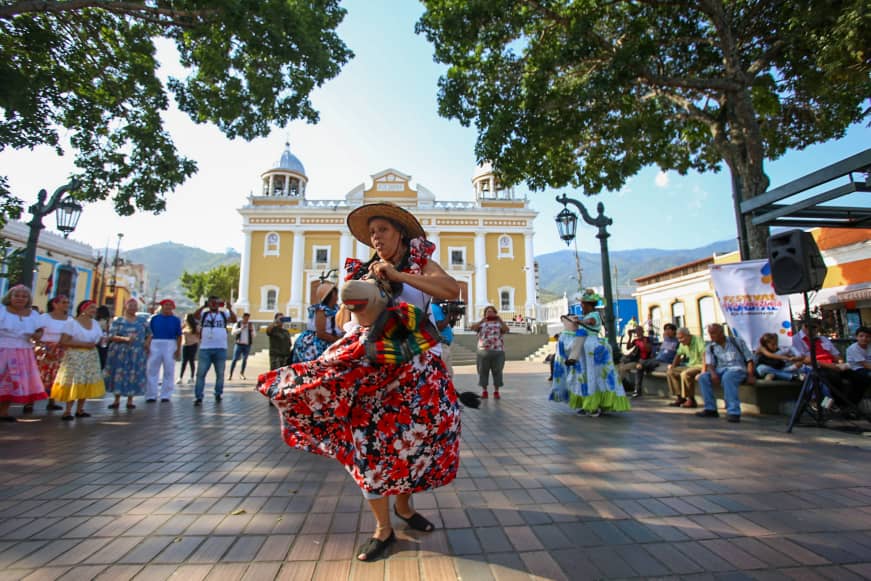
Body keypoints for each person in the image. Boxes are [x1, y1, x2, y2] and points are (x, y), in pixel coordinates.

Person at [271, 201, 461, 562]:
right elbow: (345, 315)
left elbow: (450, 290)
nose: (376, 237)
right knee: (369, 447)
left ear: (400, 234)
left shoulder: (419, 263)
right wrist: (359, 297)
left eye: (383, 230)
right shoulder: (361, 270)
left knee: (414, 444)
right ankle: (382, 528)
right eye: (372, 232)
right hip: (371, 372)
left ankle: (404, 509)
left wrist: (399, 276)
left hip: (414, 369)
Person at [568, 290, 627, 416]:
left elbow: (591, 323)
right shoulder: (586, 316)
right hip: (585, 347)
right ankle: (589, 403)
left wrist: (580, 322)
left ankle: (593, 404)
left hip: (592, 347)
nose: (581, 306)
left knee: (594, 375)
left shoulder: (594, 315)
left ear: (588, 304)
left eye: (583, 304)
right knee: (586, 375)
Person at [51, 300, 106, 420]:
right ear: (83, 309)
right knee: (74, 381)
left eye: (95, 308)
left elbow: (100, 338)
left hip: (90, 356)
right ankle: (68, 410)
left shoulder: (95, 323)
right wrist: (83, 344)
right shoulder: (72, 323)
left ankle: (80, 409)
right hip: (75, 356)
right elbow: (64, 341)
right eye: (91, 308)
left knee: (86, 381)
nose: (94, 310)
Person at [0, 285, 47, 421]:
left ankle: (3, 412)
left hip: (23, 351)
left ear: (28, 299)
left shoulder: (33, 314)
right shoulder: (2, 310)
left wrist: (37, 335)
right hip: (3, 348)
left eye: (24, 296)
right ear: (10, 297)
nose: (20, 298)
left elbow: (39, 330)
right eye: (17, 295)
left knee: (13, 382)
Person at [696, 323, 755, 423]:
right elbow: (709, 364)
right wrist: (713, 374)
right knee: (703, 377)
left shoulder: (736, 342)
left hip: (737, 369)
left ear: (721, 333)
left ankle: (733, 411)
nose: (711, 336)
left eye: (714, 333)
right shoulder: (710, 347)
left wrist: (750, 375)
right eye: (710, 334)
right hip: (720, 370)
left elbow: (750, 360)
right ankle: (710, 408)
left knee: (728, 377)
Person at [104, 298, 152, 410]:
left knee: (133, 374)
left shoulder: (142, 320)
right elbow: (111, 335)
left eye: (135, 306)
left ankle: (130, 400)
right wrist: (124, 339)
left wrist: (147, 343)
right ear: (126, 306)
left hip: (137, 352)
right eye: (131, 305)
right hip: (120, 352)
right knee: (119, 374)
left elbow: (149, 334)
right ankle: (116, 400)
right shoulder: (118, 320)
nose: (133, 308)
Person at [30, 295, 73, 413]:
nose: (66, 305)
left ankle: (52, 401)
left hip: (61, 349)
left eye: (67, 302)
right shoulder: (44, 318)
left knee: (56, 375)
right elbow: (35, 332)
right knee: (40, 375)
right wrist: (41, 345)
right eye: (63, 302)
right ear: (55, 304)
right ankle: (30, 402)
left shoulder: (70, 320)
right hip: (45, 348)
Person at [193, 296, 237, 406]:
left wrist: (230, 309)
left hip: (220, 348)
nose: (214, 305)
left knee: (220, 374)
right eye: (212, 303)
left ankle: (218, 393)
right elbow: (195, 316)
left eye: (216, 303)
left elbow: (234, 319)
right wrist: (203, 306)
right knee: (201, 374)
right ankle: (198, 396)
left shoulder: (223, 314)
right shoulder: (205, 314)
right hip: (205, 348)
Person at [290, 282, 343, 363]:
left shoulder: (336, 309)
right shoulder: (321, 310)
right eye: (335, 294)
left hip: (332, 341)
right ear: (329, 296)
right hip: (318, 344)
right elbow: (321, 333)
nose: (337, 297)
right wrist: (338, 340)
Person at [145, 299, 182, 402]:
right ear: (162, 306)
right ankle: (151, 394)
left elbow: (179, 335)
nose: (168, 307)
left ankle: (166, 395)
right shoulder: (154, 319)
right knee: (152, 369)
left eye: (170, 305)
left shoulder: (176, 320)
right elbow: (149, 333)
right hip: (155, 343)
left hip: (170, 343)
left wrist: (178, 349)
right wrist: (147, 345)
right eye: (166, 305)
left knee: (169, 370)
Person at [470, 305, 508, 399]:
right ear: (485, 314)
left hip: (498, 351)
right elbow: (472, 328)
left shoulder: (499, 323)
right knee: (483, 371)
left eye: (492, 312)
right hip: (483, 351)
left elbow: (506, 330)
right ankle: (484, 391)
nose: (490, 313)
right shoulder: (481, 324)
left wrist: (500, 320)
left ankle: (496, 391)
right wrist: (482, 320)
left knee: (498, 371)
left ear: (495, 313)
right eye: (488, 312)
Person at [666, 327, 705, 408]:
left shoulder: (698, 340)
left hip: (700, 365)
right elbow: (678, 355)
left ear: (688, 336)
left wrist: (703, 371)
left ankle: (691, 399)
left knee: (685, 374)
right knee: (670, 372)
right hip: (690, 365)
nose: (680, 340)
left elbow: (705, 355)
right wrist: (673, 367)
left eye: (681, 338)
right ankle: (680, 397)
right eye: (678, 338)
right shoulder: (682, 343)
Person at [618, 326, 653, 398]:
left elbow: (648, 350)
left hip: (643, 360)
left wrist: (642, 340)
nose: (637, 333)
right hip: (636, 361)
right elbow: (628, 347)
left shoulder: (646, 339)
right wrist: (630, 337)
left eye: (638, 331)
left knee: (624, 368)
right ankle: (619, 385)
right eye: (636, 331)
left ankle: (618, 386)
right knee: (620, 367)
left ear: (642, 331)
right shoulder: (636, 341)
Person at [844, 326, 870, 411]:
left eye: (867, 336)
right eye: (861, 336)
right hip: (856, 369)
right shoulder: (853, 348)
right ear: (857, 337)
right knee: (863, 380)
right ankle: (851, 407)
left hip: (867, 369)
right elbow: (864, 364)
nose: (864, 339)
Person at [228, 312, 256, 381]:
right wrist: (241, 329)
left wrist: (251, 330)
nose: (246, 320)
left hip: (247, 345)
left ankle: (242, 374)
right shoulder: (237, 324)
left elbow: (254, 335)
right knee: (234, 359)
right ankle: (230, 374)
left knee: (244, 360)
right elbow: (233, 333)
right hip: (239, 344)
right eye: (245, 318)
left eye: (248, 319)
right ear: (243, 318)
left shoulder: (251, 325)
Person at [431, 301, 453, 377]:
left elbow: (448, 324)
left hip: (446, 345)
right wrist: (449, 314)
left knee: (449, 374)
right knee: (443, 373)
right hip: (441, 345)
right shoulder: (434, 308)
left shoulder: (439, 308)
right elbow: (440, 326)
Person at [177, 313, 199, 384]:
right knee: (184, 362)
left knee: (191, 361)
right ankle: (180, 377)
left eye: (186, 319)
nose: (185, 320)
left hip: (193, 344)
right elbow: (179, 332)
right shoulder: (184, 326)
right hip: (185, 345)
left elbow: (199, 335)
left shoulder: (195, 326)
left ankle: (192, 377)